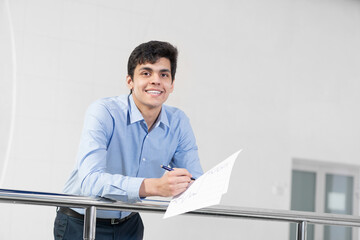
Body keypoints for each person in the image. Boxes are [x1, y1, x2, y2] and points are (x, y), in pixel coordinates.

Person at [53, 40, 203, 240]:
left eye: (164, 74)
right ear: (130, 81)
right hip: (81, 221)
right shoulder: (104, 111)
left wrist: (191, 186)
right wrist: (155, 187)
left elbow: (194, 179)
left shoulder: (179, 122)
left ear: (172, 85)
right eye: (146, 73)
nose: (156, 80)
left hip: (129, 223)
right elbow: (91, 180)